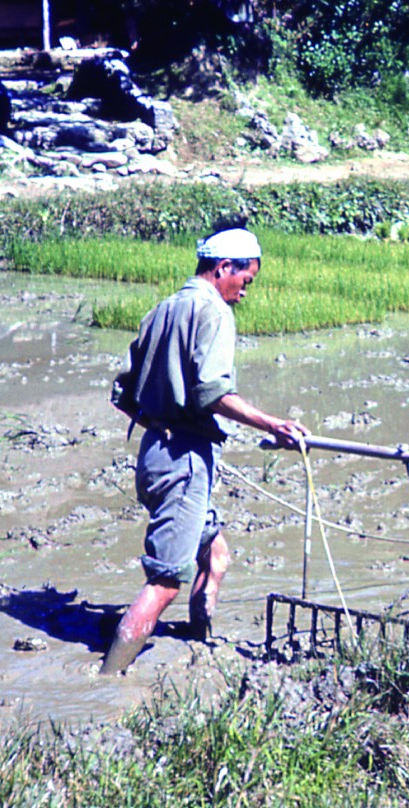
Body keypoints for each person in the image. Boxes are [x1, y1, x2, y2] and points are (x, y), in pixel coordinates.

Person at [101, 227, 308, 674]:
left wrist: (162, 423)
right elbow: (212, 393)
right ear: (223, 268)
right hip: (184, 463)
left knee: (216, 556)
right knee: (164, 583)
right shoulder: (213, 310)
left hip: (154, 454)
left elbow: (123, 395)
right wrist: (274, 425)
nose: (244, 292)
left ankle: (198, 642)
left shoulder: (163, 308)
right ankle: (106, 681)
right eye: (245, 281)